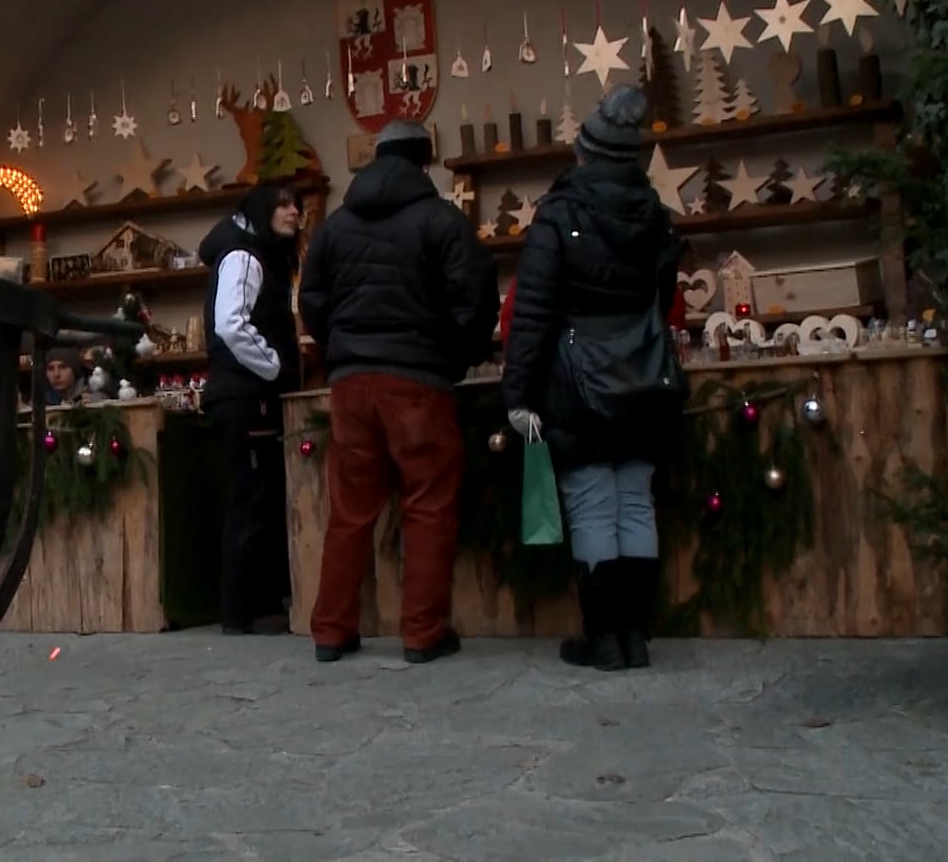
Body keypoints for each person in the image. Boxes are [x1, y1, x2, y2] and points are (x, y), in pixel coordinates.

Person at [298, 121, 499, 664]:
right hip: (418, 381)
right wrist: (454, 357)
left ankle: (331, 631)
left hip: (350, 381)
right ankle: (422, 632)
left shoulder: (335, 227)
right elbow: (476, 301)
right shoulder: (442, 221)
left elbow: (311, 299)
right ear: (423, 161)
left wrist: (339, 346)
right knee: (428, 506)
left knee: (350, 510)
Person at [502, 85, 684, 672]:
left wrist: (518, 392)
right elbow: (663, 297)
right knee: (635, 501)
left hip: (576, 379)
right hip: (643, 373)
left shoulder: (559, 214)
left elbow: (532, 311)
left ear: (584, 153)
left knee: (590, 503)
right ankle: (635, 636)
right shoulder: (655, 215)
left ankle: (603, 638)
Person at [199, 181, 302, 635]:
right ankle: (243, 612)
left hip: (243, 395)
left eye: (297, 204)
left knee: (252, 502)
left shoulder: (254, 253)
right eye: (283, 203)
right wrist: (275, 366)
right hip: (245, 397)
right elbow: (232, 325)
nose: (294, 211)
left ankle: (249, 608)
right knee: (250, 505)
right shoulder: (244, 255)